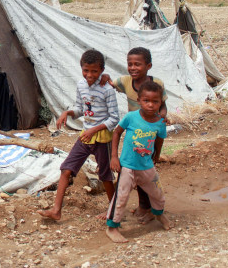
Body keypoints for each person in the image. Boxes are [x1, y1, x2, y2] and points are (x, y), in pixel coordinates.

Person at [38, 49, 119, 220]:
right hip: (85, 136)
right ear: (81, 68)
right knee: (66, 169)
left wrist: (94, 129)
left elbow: (114, 119)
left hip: (102, 139)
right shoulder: (81, 85)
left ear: (102, 70)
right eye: (86, 70)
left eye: (94, 71)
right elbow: (80, 109)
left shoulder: (107, 90)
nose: (89, 75)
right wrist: (66, 113)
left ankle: (114, 211)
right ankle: (56, 210)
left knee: (105, 175)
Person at [106, 47, 168, 224]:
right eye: (129, 64)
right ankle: (143, 207)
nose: (133, 68)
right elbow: (111, 83)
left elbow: (162, 105)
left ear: (148, 66)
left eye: (137, 64)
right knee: (135, 170)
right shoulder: (126, 81)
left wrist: (162, 117)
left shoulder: (156, 84)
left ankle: (147, 207)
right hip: (134, 128)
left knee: (146, 172)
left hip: (150, 129)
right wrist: (105, 78)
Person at [106, 81, 173, 243]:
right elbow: (116, 133)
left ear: (160, 103)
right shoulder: (131, 117)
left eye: (155, 101)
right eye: (146, 101)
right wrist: (114, 157)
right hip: (127, 165)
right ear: (139, 100)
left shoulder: (160, 122)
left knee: (157, 193)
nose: (150, 105)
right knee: (121, 197)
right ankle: (112, 227)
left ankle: (158, 214)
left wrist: (157, 155)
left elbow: (160, 140)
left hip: (146, 166)